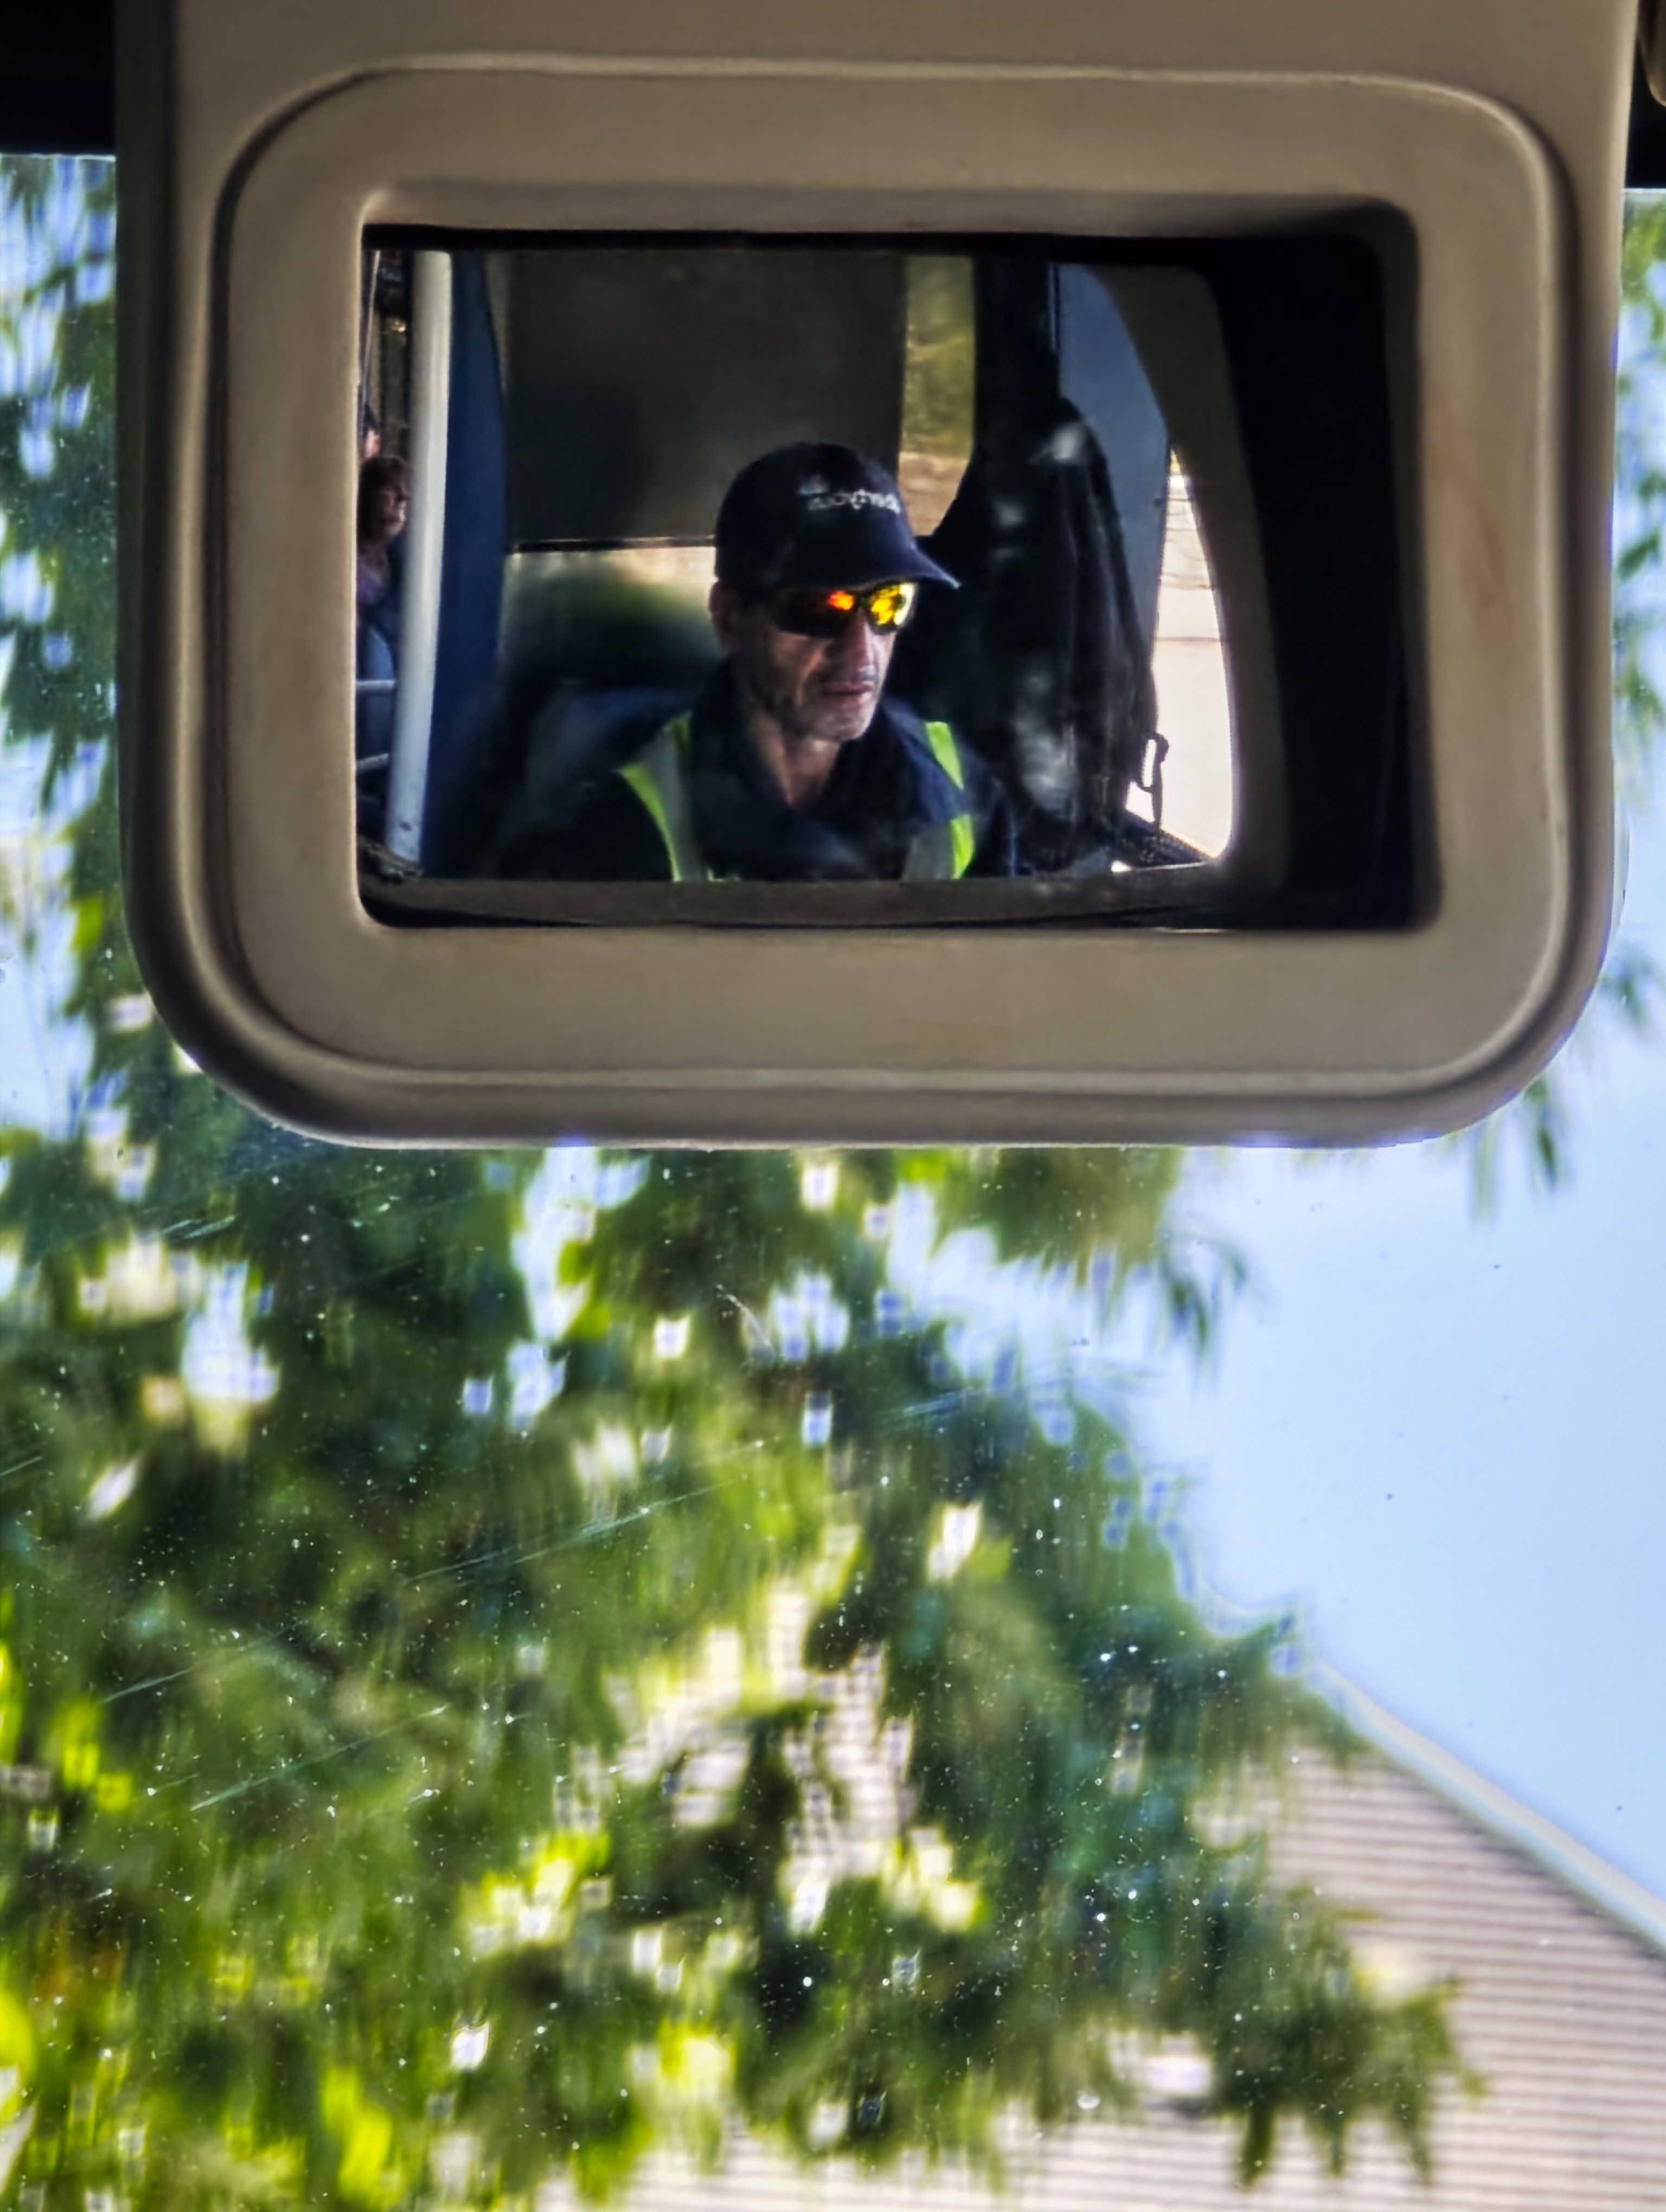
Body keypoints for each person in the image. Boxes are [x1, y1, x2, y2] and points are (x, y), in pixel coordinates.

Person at [491, 443, 1015, 882]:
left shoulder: (966, 795)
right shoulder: (621, 832)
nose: (861, 651)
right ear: (729, 619)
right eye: (817, 609)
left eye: (889, 604)